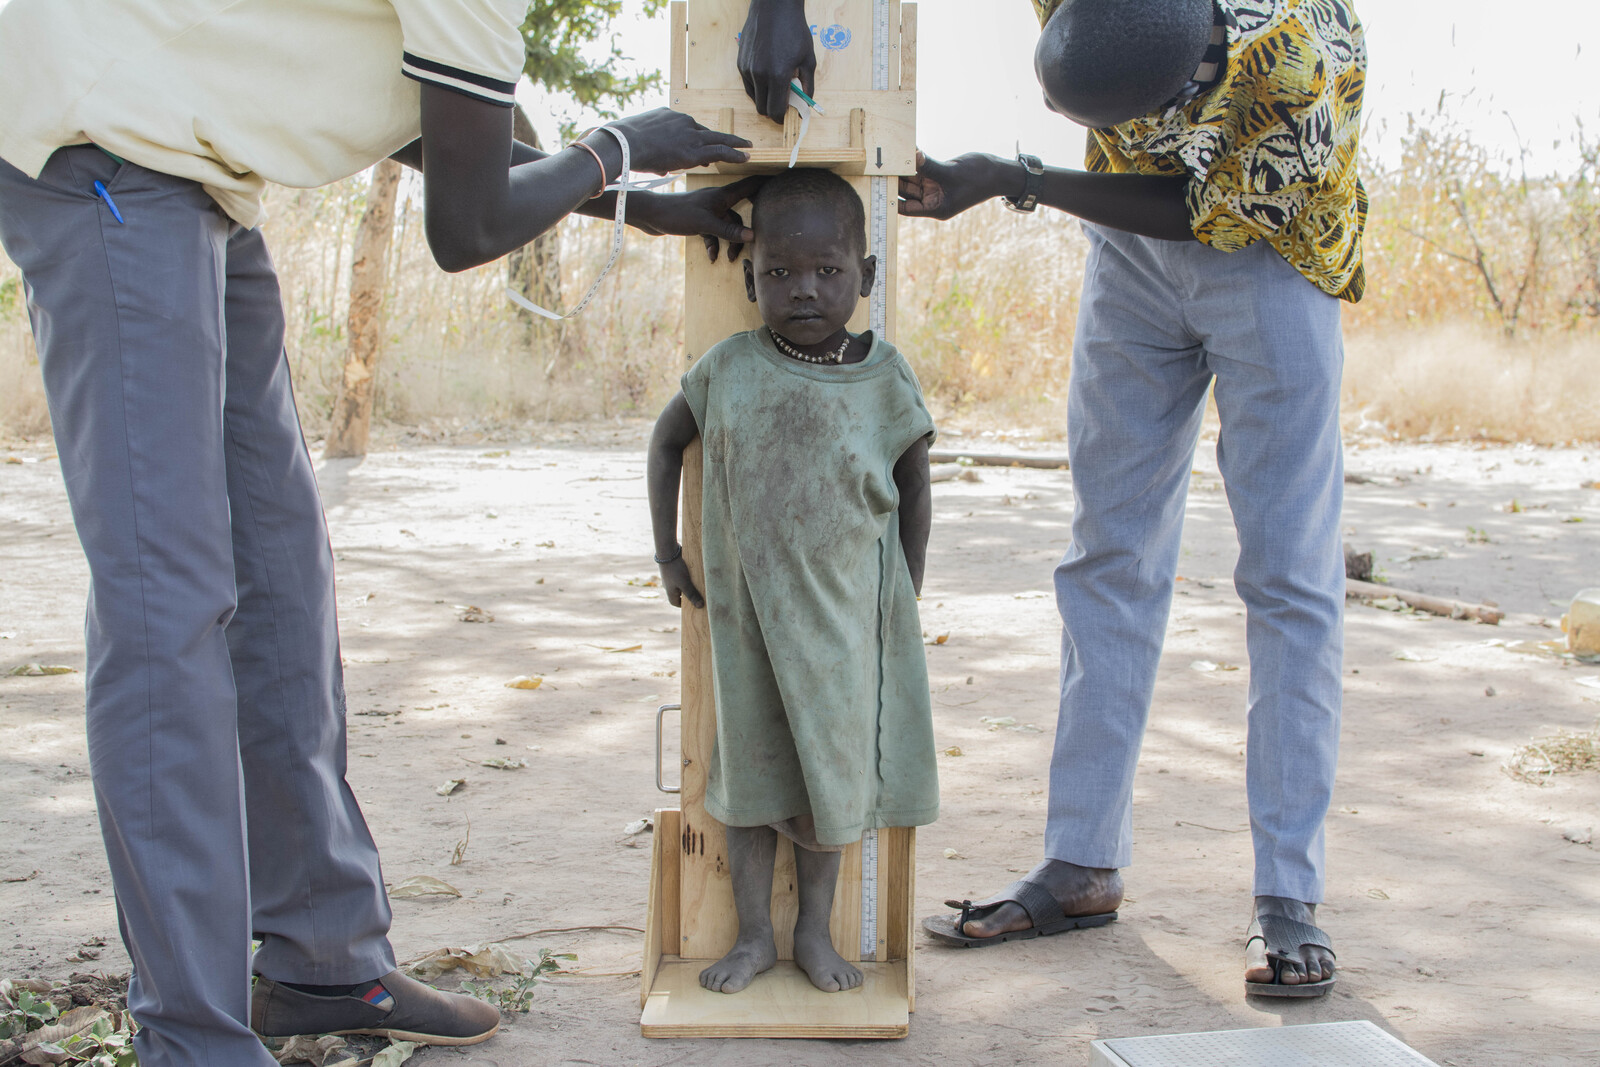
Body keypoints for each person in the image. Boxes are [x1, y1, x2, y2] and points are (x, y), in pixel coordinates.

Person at [0, 2, 762, 1063]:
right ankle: (192, 1036)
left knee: (279, 580)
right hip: (107, 156)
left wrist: (635, 201)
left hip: (200, 176)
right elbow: (470, 225)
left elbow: (450, 134)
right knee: (164, 605)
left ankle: (320, 958)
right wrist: (620, 145)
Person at [738, 0, 1366, 997]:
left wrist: (1016, 181)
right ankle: (1081, 863)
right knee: (1106, 555)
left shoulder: (1291, 61)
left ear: (1201, 62)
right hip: (1131, 261)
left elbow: (1201, 205)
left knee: (1286, 577)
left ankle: (1287, 896)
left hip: (1271, 257)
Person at [647, 168, 938, 996]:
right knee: (747, 785)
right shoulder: (729, 369)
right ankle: (752, 937)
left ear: (865, 277)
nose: (803, 290)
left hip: (845, 628)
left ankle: (814, 931)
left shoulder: (885, 376)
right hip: (746, 628)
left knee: (827, 784)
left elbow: (915, 484)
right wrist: (668, 554)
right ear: (749, 277)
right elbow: (666, 445)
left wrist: (905, 594)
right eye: (778, 273)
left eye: (828, 271)